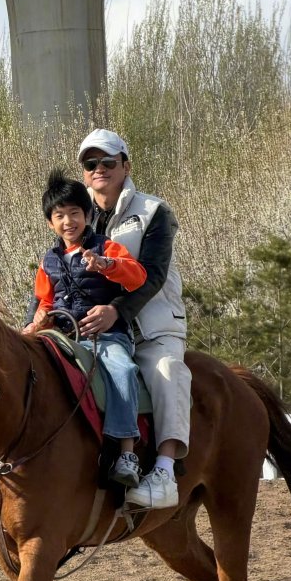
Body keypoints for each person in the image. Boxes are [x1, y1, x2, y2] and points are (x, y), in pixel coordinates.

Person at [75, 129, 190, 510]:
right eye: (91, 164)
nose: (99, 169)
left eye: (108, 162)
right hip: (92, 329)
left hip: (151, 327)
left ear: (125, 164)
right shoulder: (74, 215)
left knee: (168, 371)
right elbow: (53, 270)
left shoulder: (155, 211)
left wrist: (116, 311)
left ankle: (164, 471)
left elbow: (153, 274)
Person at [25, 170, 148, 490]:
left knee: (122, 371)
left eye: (75, 213)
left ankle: (126, 453)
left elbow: (136, 277)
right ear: (50, 222)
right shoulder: (47, 261)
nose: (68, 221)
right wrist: (34, 323)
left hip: (105, 337)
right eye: (59, 215)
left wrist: (107, 265)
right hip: (62, 338)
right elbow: (44, 300)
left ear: (88, 214)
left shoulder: (106, 246)